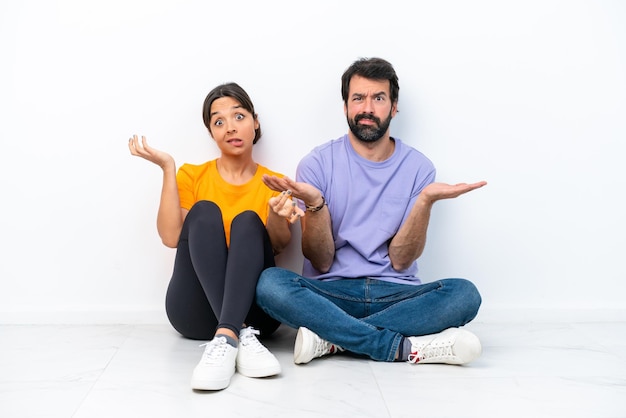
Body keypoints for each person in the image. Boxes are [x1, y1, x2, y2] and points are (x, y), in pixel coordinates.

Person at [257, 57, 487, 366]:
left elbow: (401, 260)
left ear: (394, 107)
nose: (367, 107)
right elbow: (321, 261)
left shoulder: (419, 168)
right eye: (358, 98)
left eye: (378, 98)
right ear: (345, 106)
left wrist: (424, 202)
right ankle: (391, 345)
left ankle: (334, 339)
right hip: (330, 294)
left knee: (465, 295)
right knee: (270, 284)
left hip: (396, 293)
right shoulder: (317, 164)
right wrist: (316, 205)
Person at [128, 82, 304, 391]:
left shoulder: (272, 184)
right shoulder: (192, 175)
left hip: (257, 314)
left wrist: (276, 215)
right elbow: (171, 237)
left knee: (248, 221)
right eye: (218, 121)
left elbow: (278, 246)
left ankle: (229, 335)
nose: (230, 128)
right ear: (211, 132)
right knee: (205, 211)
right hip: (194, 312)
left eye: (238, 116)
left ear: (255, 121)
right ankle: (235, 334)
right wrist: (168, 168)